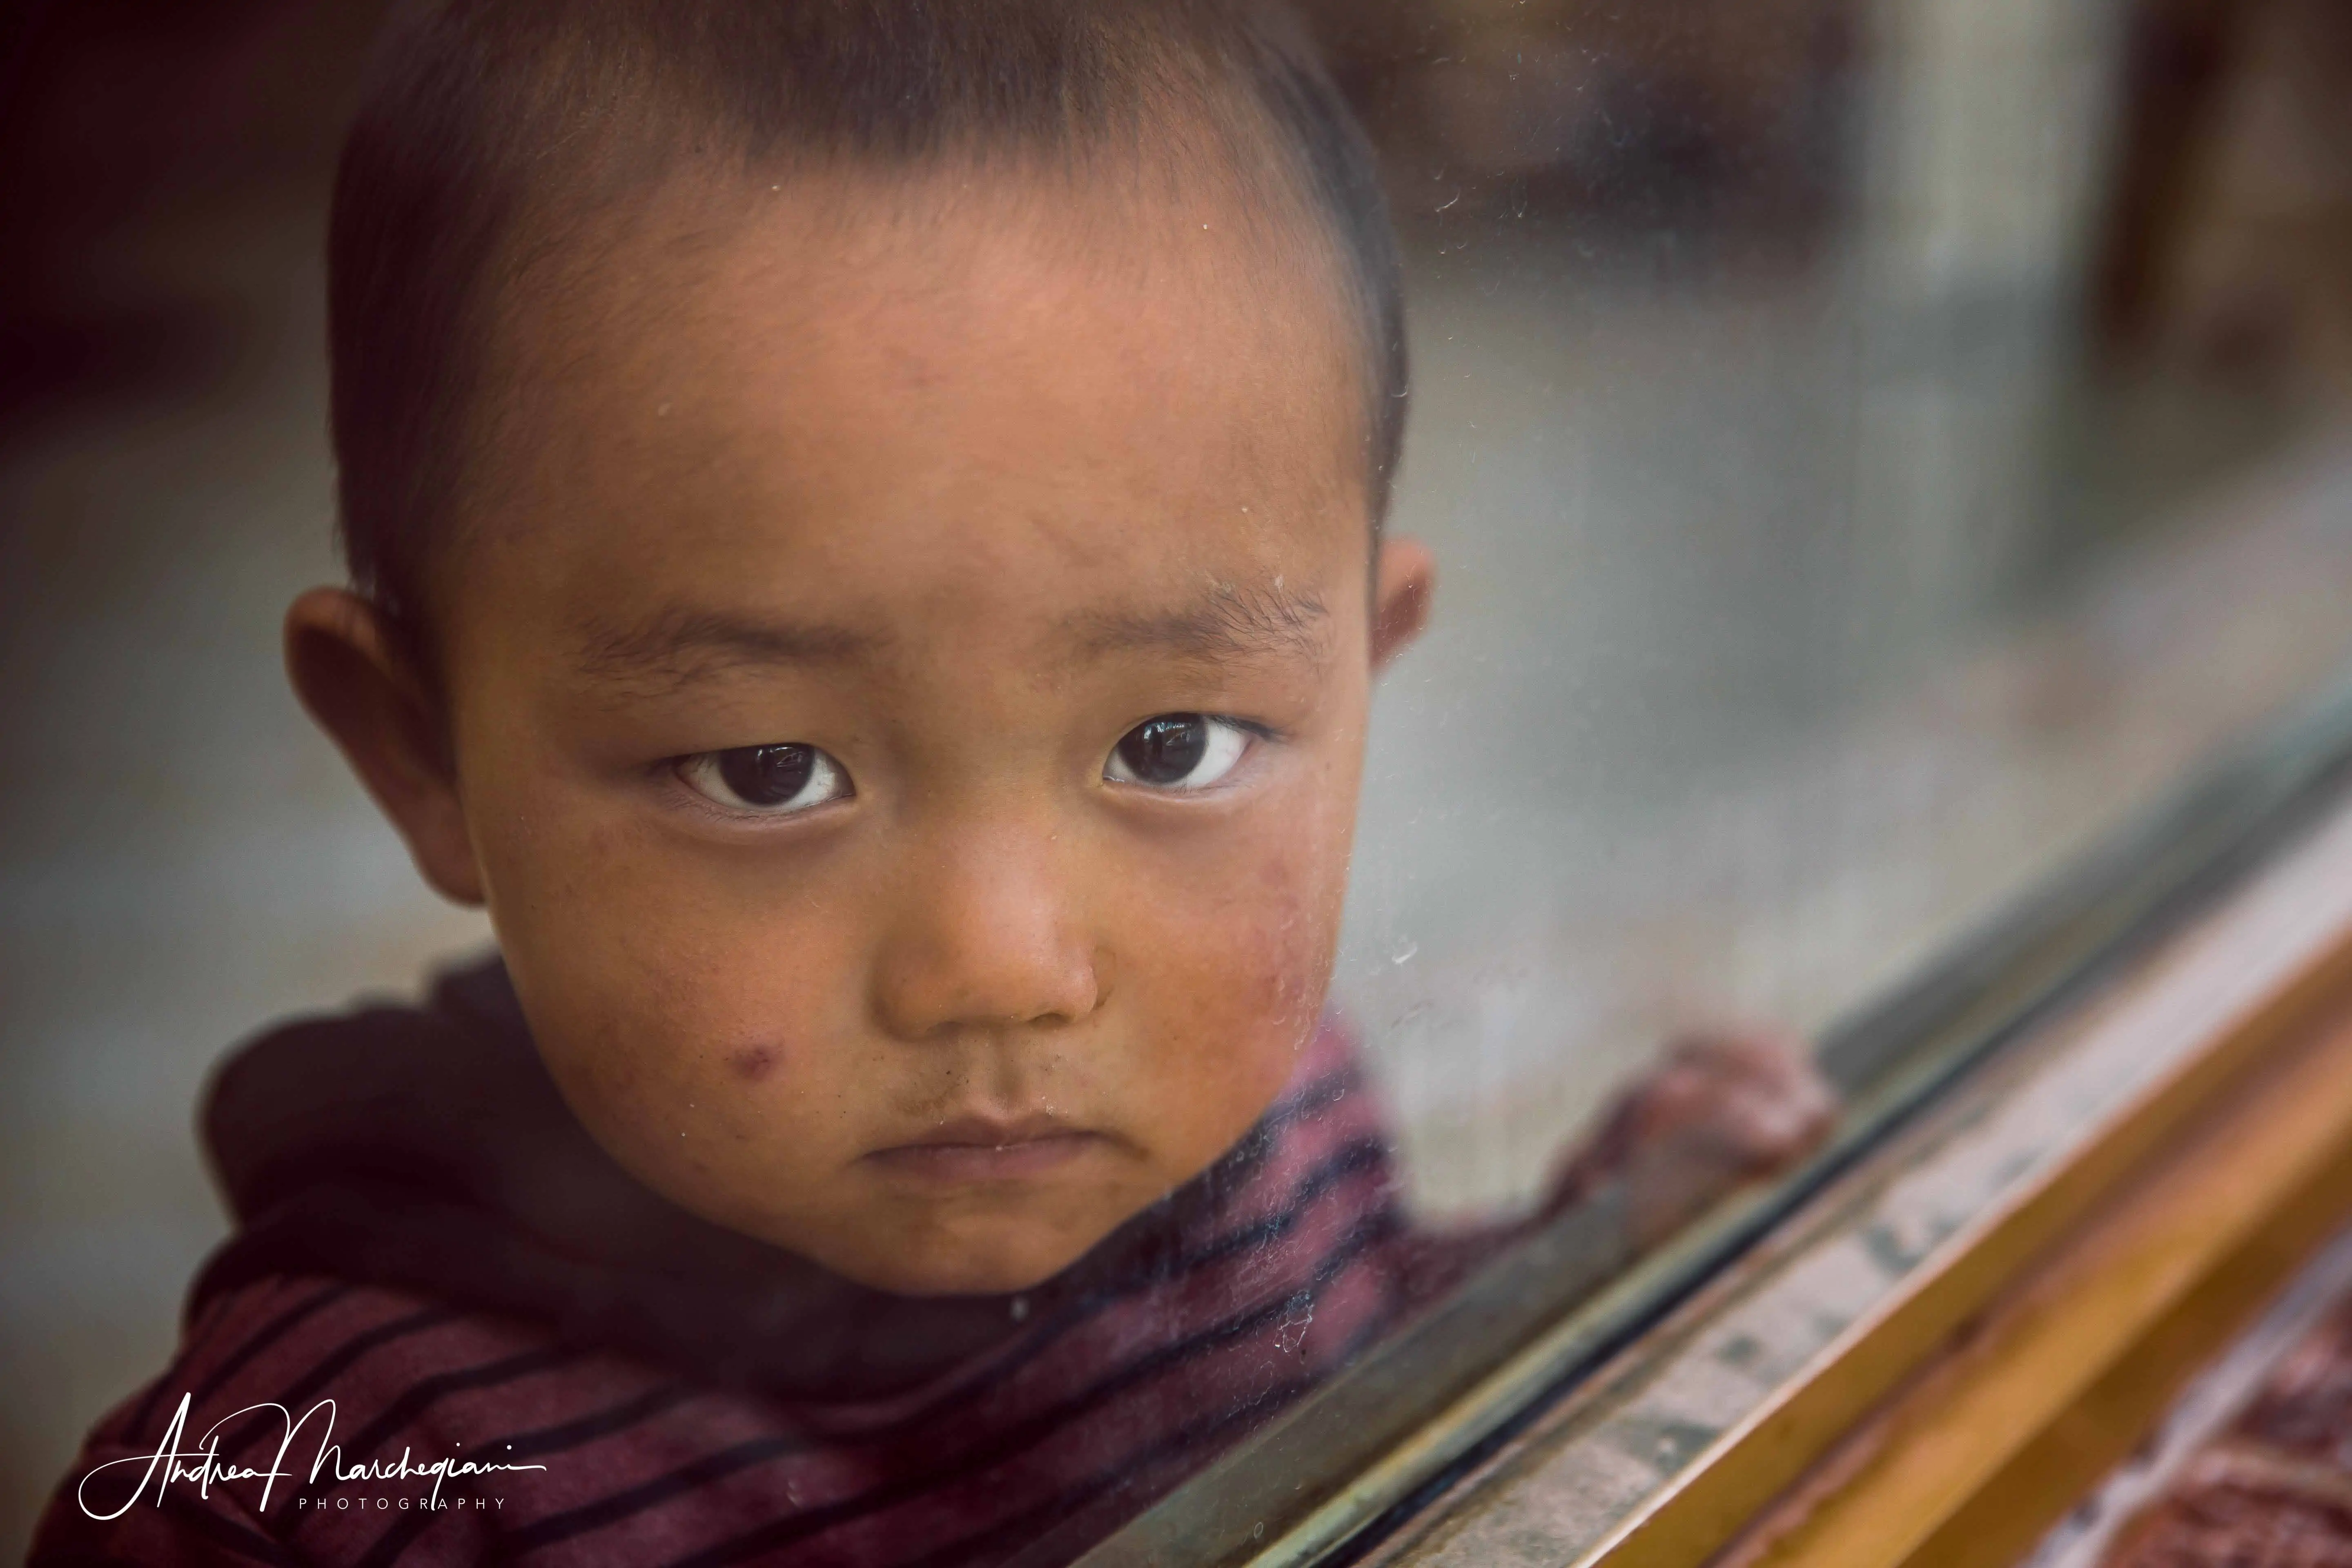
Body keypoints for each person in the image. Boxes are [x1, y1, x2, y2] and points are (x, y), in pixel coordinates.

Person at [32, 2, 1835, 1562]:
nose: (1002, 968)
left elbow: (1345, 1406)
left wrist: (1582, 1271)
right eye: (767, 770)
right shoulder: (334, 1483)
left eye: (1169, 747)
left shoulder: (1262, 1139)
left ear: (1366, 672)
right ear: (416, 751)